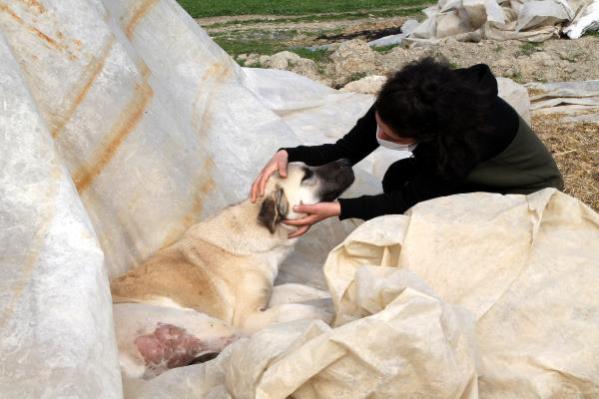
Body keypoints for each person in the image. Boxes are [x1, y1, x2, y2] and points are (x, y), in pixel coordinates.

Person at [250, 58, 563, 238]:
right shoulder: (404, 99)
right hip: (467, 172)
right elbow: (344, 149)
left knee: (435, 217)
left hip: (523, 190)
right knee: (398, 174)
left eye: (391, 135)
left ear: (426, 134)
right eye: (379, 123)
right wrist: (289, 153)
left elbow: (410, 199)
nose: (379, 134)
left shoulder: (470, 133)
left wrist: (342, 209)